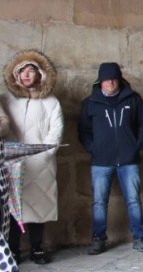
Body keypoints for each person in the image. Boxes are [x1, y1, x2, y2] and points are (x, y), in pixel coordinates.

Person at [77, 62, 143, 255]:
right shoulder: (90, 103)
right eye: (106, 79)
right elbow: (84, 131)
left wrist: (136, 144)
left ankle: (139, 237)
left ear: (119, 79)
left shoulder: (133, 99)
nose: (110, 82)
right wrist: (93, 148)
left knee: (134, 200)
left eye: (113, 78)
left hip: (128, 160)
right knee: (99, 202)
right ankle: (98, 239)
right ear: (100, 81)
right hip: (101, 161)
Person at [0, 50, 63, 265]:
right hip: (13, 163)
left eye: (31, 71)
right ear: (16, 75)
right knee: (14, 208)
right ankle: (14, 249)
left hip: (41, 164)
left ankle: (37, 248)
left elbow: (56, 130)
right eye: (23, 71)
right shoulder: (6, 99)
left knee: (40, 205)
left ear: (40, 75)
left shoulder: (51, 101)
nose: (27, 75)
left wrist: (44, 154)